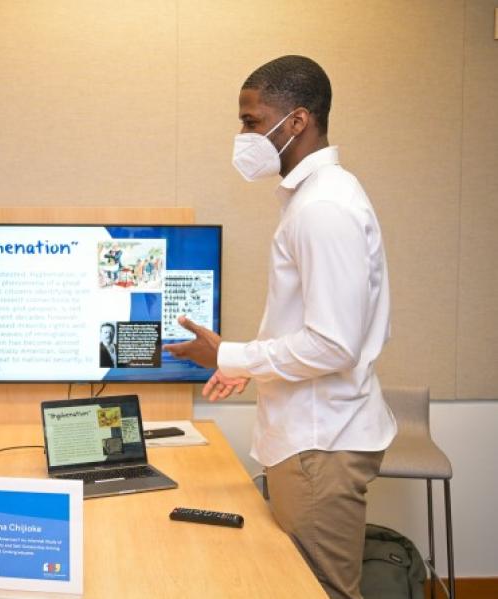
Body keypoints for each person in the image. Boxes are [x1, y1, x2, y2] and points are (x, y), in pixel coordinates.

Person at [163, 56, 397, 599]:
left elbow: (332, 345)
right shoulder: (315, 198)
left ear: (297, 121)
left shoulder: (323, 209)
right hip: (313, 434)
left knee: (319, 590)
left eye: (252, 121)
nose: (243, 136)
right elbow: (314, 327)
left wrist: (231, 356)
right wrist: (246, 365)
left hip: (321, 441)